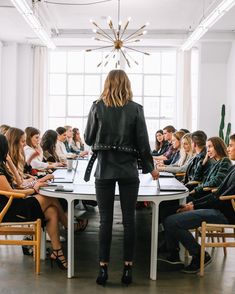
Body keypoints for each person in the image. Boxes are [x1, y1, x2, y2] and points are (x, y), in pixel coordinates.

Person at [84, 69, 159, 286]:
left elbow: (89, 139)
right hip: (128, 170)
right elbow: (144, 143)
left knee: (105, 221)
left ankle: (103, 270)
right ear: (127, 84)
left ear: (107, 84)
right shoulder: (136, 109)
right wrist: (150, 168)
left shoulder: (97, 106)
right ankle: (128, 270)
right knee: (129, 221)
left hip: (105, 169)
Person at [159, 134, 235, 274]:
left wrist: (194, 205)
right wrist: (193, 205)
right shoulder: (232, 168)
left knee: (171, 221)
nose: (228, 148)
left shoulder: (229, 166)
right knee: (171, 212)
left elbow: (220, 198)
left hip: (223, 214)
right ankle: (175, 252)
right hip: (216, 208)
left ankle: (199, 255)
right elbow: (216, 195)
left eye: (231, 145)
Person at [0, 134, 68, 270]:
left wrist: (9, 161)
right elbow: (13, 194)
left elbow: (18, 183)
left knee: (51, 211)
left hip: (15, 205)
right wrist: (34, 188)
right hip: (9, 211)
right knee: (50, 197)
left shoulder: (2, 165)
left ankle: (57, 252)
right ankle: (69, 226)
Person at [188, 136, 231, 201]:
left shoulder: (225, 161)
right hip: (203, 194)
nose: (207, 150)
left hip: (209, 196)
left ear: (218, 147)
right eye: (207, 147)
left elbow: (216, 181)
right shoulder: (214, 163)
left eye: (210, 146)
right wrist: (203, 162)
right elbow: (196, 178)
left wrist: (197, 189)